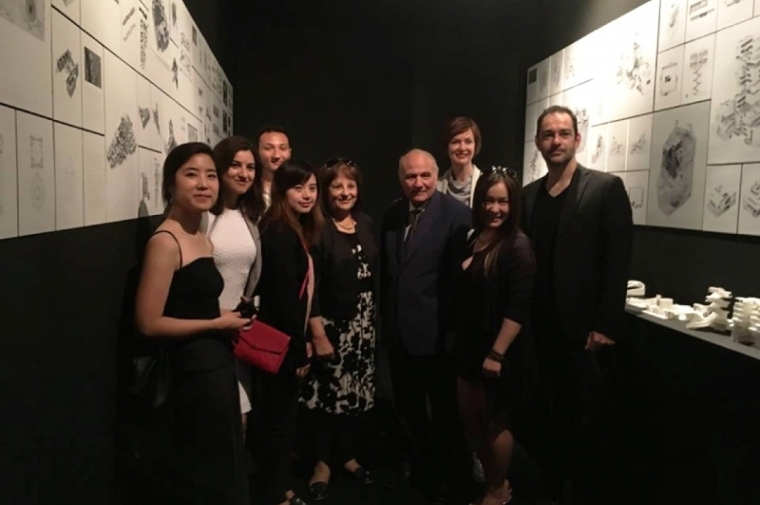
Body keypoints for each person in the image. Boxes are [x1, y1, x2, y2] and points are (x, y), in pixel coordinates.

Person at [521, 105, 633, 505]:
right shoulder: (528, 195)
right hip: (539, 330)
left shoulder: (604, 188)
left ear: (577, 139)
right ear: (538, 142)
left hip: (583, 332)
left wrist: (605, 325)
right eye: (548, 135)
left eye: (563, 134)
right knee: (546, 419)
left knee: (586, 426)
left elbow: (617, 260)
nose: (556, 141)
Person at [134, 142, 251, 504]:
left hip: (215, 364)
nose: (204, 184)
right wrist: (215, 324)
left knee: (224, 464)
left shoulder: (201, 237)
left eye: (211, 176)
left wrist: (221, 321)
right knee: (203, 474)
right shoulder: (166, 241)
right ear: (170, 184)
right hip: (190, 373)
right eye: (191, 174)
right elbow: (148, 323)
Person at [379, 148, 472, 504]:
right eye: (410, 176)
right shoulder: (391, 213)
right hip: (399, 334)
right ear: (401, 179)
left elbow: (458, 284)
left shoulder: (458, 215)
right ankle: (419, 471)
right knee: (410, 410)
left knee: (446, 414)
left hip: (437, 335)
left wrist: (453, 332)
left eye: (425, 176)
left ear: (437, 175)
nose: (417, 183)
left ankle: (454, 479)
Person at [453, 167, 537, 505]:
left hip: (498, 353)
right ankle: (494, 482)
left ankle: (497, 489)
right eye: (489, 200)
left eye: (503, 201)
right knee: (471, 419)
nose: (495, 208)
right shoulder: (475, 236)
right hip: (469, 347)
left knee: (494, 424)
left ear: (513, 204)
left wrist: (497, 353)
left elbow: (518, 308)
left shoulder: (518, 246)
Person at [301, 158, 379, 501]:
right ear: (325, 191)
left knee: (354, 397)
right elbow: (309, 287)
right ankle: (321, 464)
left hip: (364, 326)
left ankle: (346, 456)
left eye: (350, 185)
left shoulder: (366, 223)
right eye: (336, 186)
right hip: (332, 326)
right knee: (326, 398)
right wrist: (317, 332)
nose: (344, 192)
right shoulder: (317, 228)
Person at [255, 158, 324, 505]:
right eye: (299, 187)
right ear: (282, 191)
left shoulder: (288, 227)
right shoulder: (281, 233)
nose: (307, 194)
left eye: (312, 187)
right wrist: (298, 349)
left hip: (283, 341)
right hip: (281, 345)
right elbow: (284, 300)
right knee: (278, 423)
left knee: (278, 420)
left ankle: (277, 486)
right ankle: (279, 493)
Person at [205, 136, 265, 433]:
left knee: (240, 417)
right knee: (213, 418)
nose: (244, 173)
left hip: (239, 333)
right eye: (236, 165)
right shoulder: (203, 215)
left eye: (251, 167)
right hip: (206, 328)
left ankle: (236, 480)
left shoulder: (250, 215)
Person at [436, 117, 483, 207]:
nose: (462, 148)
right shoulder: (436, 187)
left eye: (468, 142)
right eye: (456, 142)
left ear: (475, 145)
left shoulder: (485, 184)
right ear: (447, 146)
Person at [255, 125, 292, 208]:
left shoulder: (297, 189)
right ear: (257, 152)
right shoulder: (250, 189)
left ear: (289, 153)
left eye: (283, 148)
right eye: (268, 148)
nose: (277, 155)